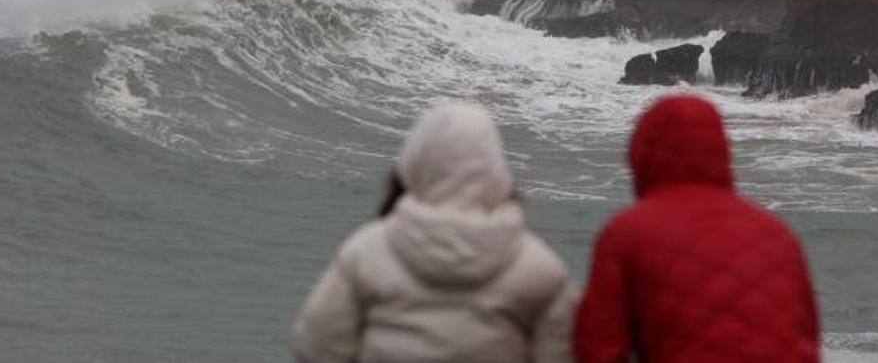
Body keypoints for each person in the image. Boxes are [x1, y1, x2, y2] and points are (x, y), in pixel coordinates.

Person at [290, 102, 576, 362]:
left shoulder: (366, 252)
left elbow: (315, 348)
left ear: (413, 163)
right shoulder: (540, 268)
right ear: (497, 170)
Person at [573, 94, 819, 362]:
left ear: (642, 155)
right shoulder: (778, 234)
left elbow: (599, 348)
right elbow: (807, 337)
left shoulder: (627, 233)